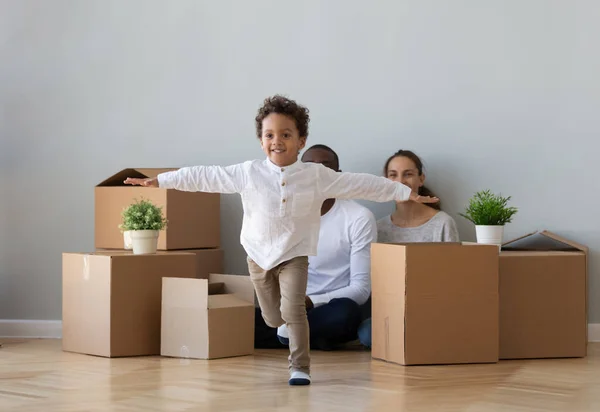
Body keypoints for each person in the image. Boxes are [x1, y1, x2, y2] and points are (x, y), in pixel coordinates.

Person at [124, 96, 438, 386]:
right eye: (270, 135)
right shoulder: (248, 173)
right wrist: (161, 180)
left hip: (295, 254)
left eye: (286, 135)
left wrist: (403, 192)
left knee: (295, 312)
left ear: (301, 141)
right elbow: (205, 175)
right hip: (259, 256)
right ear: (261, 141)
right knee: (273, 317)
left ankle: (299, 367)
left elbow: (361, 184)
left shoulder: (316, 175)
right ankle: (280, 327)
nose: (278, 141)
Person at [255, 144, 376, 351]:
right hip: (288, 308)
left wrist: (310, 301)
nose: (316, 174)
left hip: (329, 308)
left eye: (325, 168)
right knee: (243, 318)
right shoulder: (285, 213)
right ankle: (311, 339)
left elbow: (361, 290)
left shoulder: (358, 217)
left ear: (337, 176)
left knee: (346, 314)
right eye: (309, 167)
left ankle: (289, 337)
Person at [357, 149, 459, 347]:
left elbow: (452, 279)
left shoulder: (443, 223)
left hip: (433, 309)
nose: (401, 181)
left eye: (408, 174)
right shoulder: (379, 228)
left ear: (421, 179)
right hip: (392, 310)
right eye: (393, 175)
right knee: (367, 333)